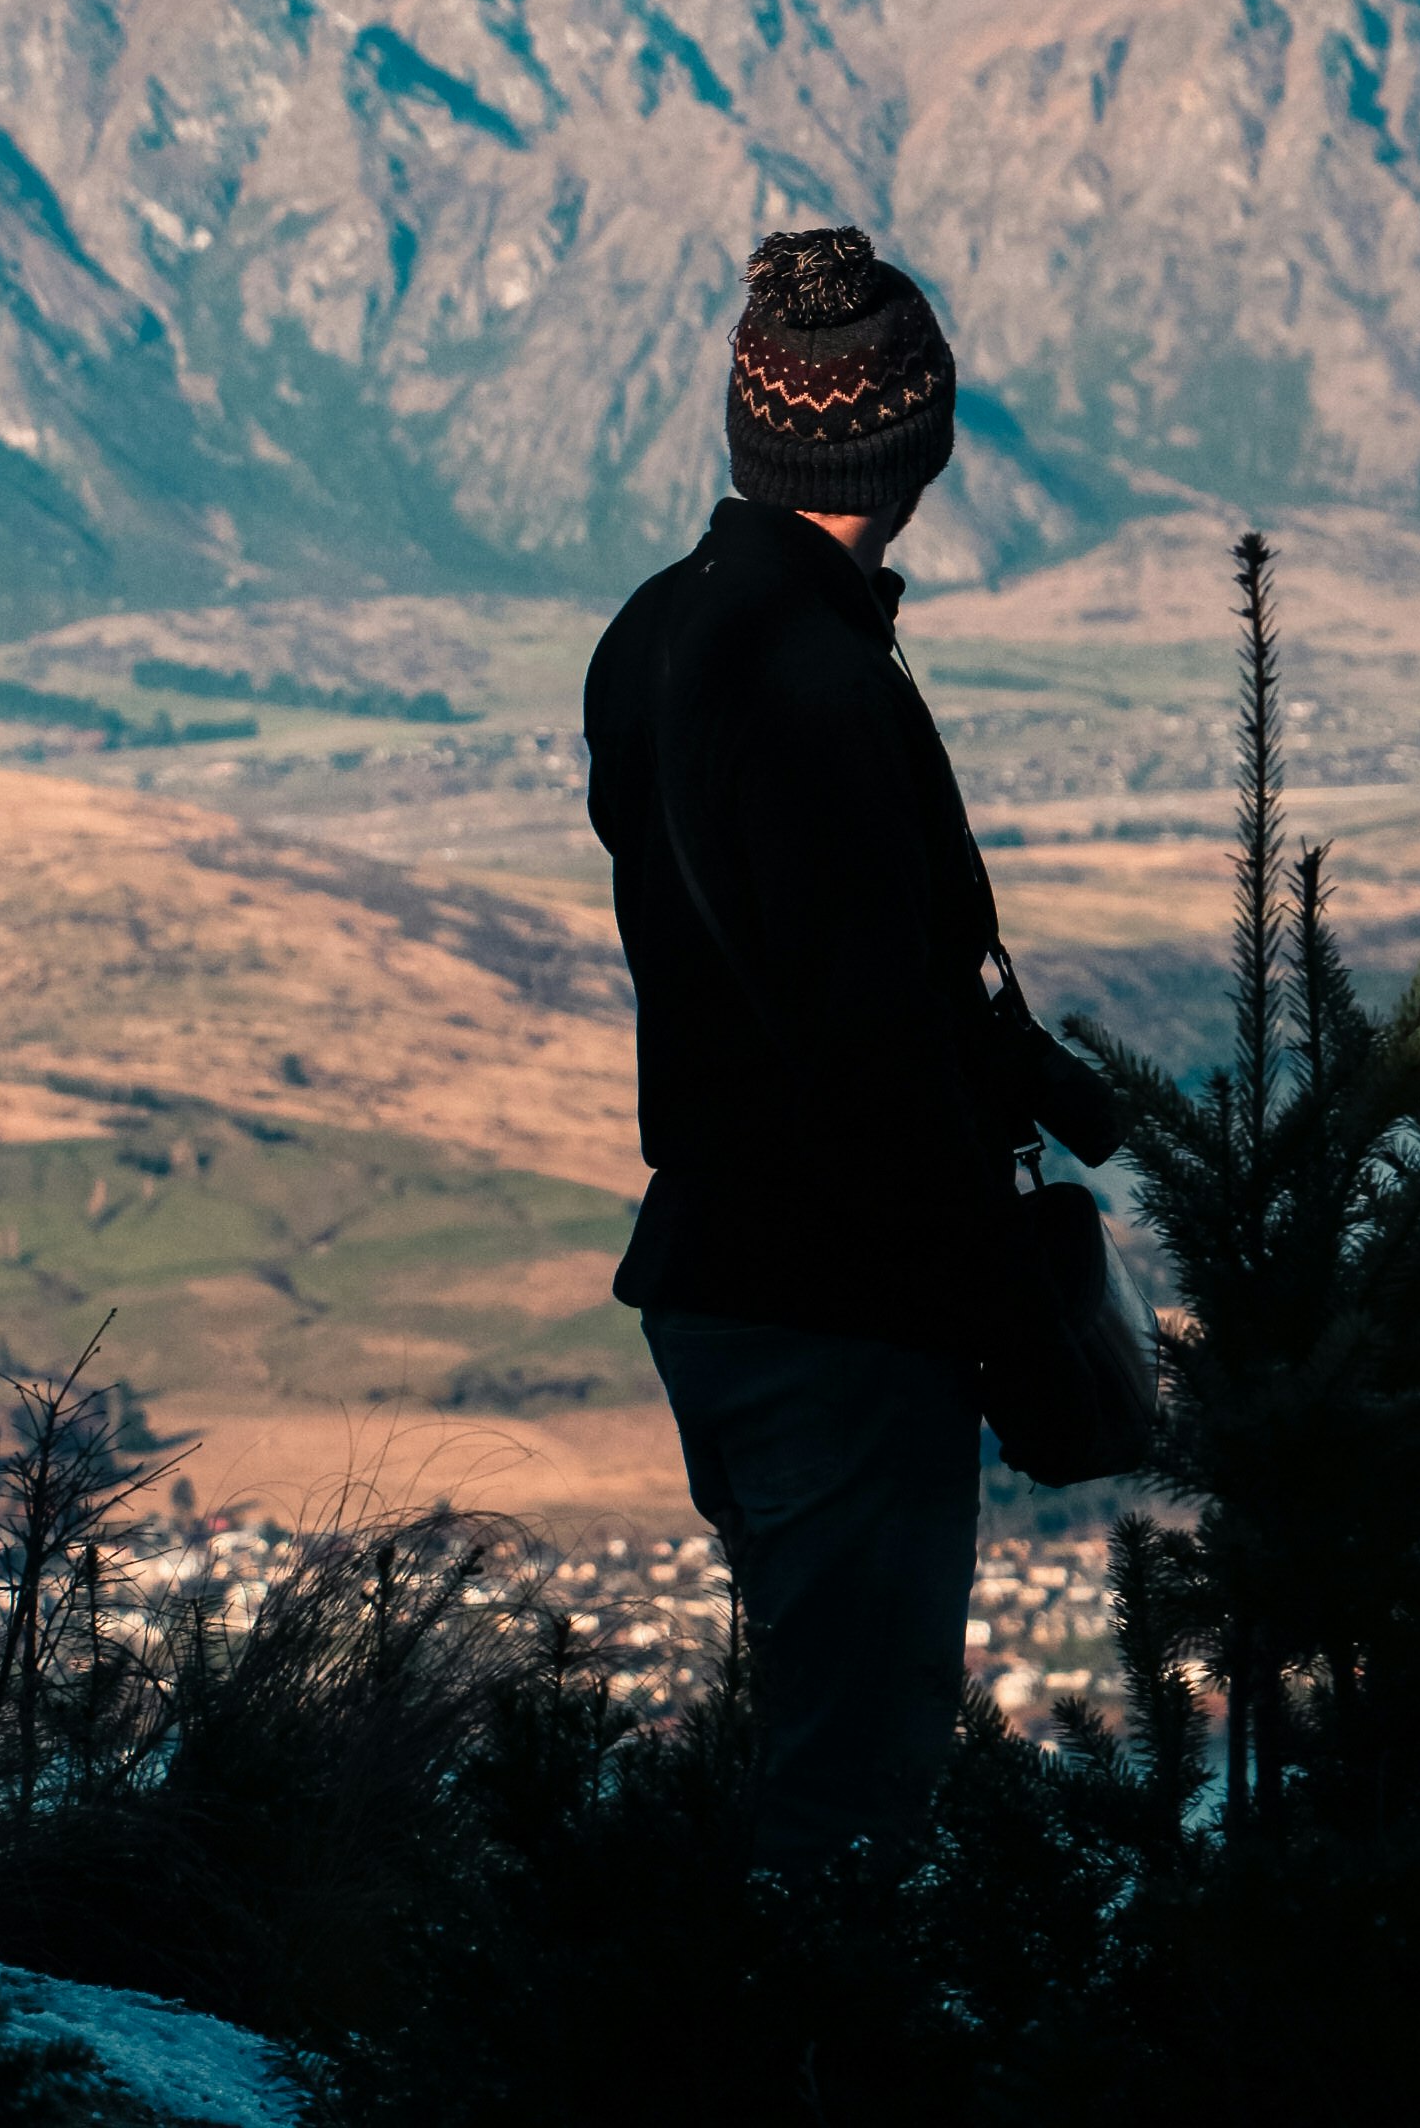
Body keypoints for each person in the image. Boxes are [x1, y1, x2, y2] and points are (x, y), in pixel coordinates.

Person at [582, 222, 1024, 1869]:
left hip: (715, 1270)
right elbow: (868, 1042)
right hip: (837, 1299)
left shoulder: (654, 635)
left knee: (809, 1727)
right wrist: (989, 1273)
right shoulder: (820, 681)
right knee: (854, 1789)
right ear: (919, 444)